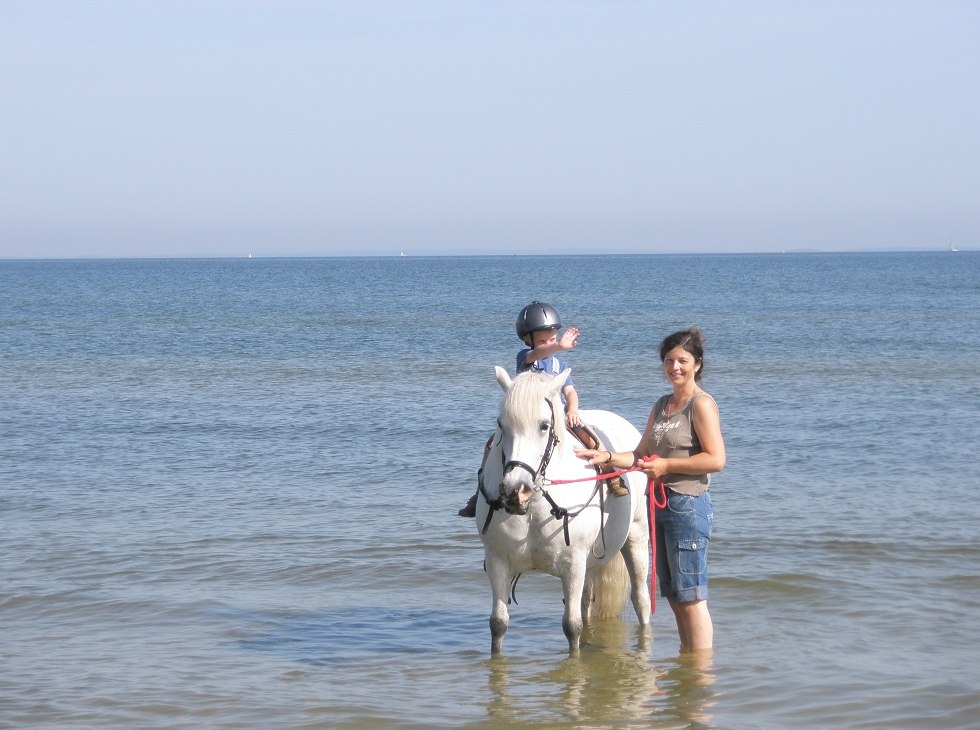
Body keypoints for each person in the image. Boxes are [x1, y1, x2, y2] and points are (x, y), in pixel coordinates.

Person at [576, 328, 725, 652]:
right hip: (659, 505)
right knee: (673, 595)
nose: (675, 368)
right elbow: (641, 454)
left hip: (688, 504)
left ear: (697, 364)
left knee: (692, 597)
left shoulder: (700, 405)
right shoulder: (662, 405)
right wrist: (608, 457)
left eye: (683, 361)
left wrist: (667, 466)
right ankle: (686, 668)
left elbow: (716, 459)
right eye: (669, 360)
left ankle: (699, 677)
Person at [458, 301, 627, 517]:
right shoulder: (526, 358)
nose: (548, 344)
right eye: (542, 341)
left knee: (592, 440)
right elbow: (536, 355)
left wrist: (572, 410)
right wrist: (558, 346)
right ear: (528, 340)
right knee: (491, 445)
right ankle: (479, 493)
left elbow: (570, 393)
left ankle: (611, 475)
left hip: (556, 416)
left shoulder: (560, 366)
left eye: (552, 339)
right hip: (527, 418)